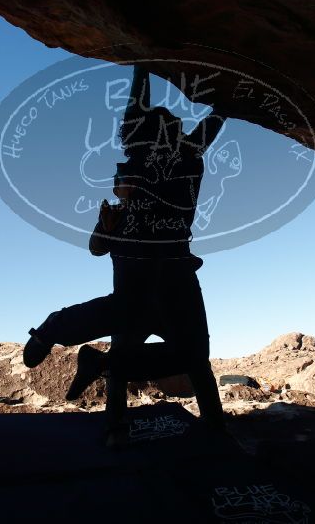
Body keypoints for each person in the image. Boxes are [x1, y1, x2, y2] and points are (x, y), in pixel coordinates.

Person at [23, 64, 227, 444]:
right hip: (151, 276)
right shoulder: (165, 159)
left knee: (185, 356)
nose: (178, 126)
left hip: (172, 278)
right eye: (172, 124)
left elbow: (160, 108)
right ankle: (66, 342)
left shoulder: (182, 157)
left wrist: (143, 65)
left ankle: (92, 360)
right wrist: (105, 228)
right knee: (187, 356)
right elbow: (96, 248)